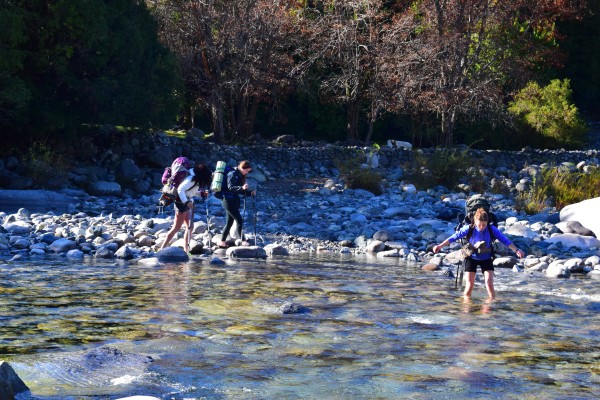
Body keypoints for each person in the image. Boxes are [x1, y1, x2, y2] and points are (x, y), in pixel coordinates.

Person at [432, 208, 525, 300]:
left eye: (484, 225)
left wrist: (516, 250)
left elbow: (504, 240)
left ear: (487, 222)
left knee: (489, 283)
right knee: (469, 285)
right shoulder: (469, 228)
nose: (481, 227)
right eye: (479, 224)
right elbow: (454, 237)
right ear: (475, 221)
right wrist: (440, 246)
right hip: (471, 257)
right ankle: (466, 307)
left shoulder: (491, 229)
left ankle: (490, 306)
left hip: (486, 258)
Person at [160, 164, 212, 254]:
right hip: (181, 203)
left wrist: (201, 194)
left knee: (190, 227)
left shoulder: (196, 179)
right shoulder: (191, 179)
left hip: (188, 202)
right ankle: (162, 248)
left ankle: (186, 250)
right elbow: (180, 190)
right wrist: (186, 202)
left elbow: (190, 192)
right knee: (177, 227)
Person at [219, 160, 255, 248]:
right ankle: (243, 240)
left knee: (229, 222)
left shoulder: (239, 175)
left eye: (248, 171)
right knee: (239, 220)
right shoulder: (232, 174)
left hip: (234, 200)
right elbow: (230, 187)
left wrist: (250, 193)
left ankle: (222, 242)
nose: (247, 172)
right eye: (247, 171)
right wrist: (242, 187)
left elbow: (240, 191)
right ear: (243, 168)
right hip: (227, 200)